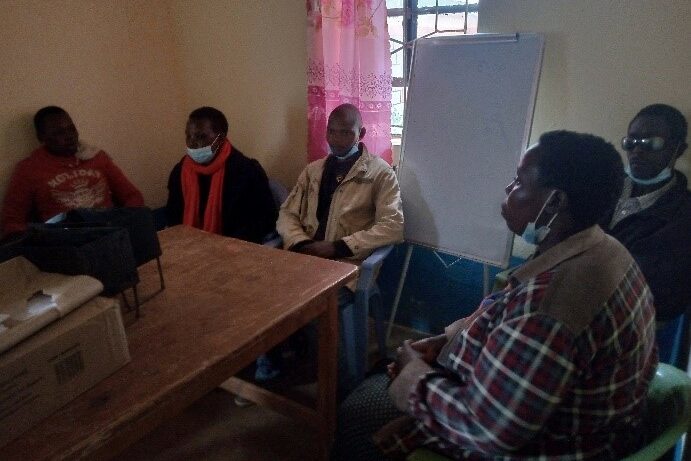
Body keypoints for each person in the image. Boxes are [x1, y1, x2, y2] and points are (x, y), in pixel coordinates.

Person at [331, 131, 658, 461]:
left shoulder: (551, 308)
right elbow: (505, 314)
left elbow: (486, 429)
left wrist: (415, 375)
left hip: (540, 446)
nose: (508, 190)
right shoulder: (602, 247)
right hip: (566, 419)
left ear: (556, 202)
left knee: (358, 414)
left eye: (519, 182)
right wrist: (447, 341)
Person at [262, 103, 404, 388]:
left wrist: (338, 247)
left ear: (361, 133)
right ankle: (278, 365)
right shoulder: (313, 171)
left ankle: (337, 381)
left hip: (347, 265)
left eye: (345, 133)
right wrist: (300, 242)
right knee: (265, 294)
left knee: (317, 306)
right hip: (305, 256)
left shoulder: (380, 174)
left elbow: (393, 226)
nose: (336, 140)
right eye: (331, 131)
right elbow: (288, 213)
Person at [603, 103, 691, 322]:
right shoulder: (601, 188)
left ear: (678, 149)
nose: (637, 151)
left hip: (628, 325)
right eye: (631, 142)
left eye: (651, 143)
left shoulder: (684, 215)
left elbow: (658, 290)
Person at [1, 106, 144, 238]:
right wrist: (43, 241)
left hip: (112, 233)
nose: (69, 136)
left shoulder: (95, 156)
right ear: (41, 137)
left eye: (71, 129)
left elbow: (132, 195)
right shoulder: (29, 169)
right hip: (66, 242)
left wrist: (124, 222)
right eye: (59, 133)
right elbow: (11, 223)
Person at [166, 107, 277, 243]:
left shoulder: (246, 171)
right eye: (188, 136)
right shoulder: (180, 171)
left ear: (220, 138)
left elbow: (265, 220)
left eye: (201, 136)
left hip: (234, 249)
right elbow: (173, 218)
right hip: (189, 246)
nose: (192, 143)